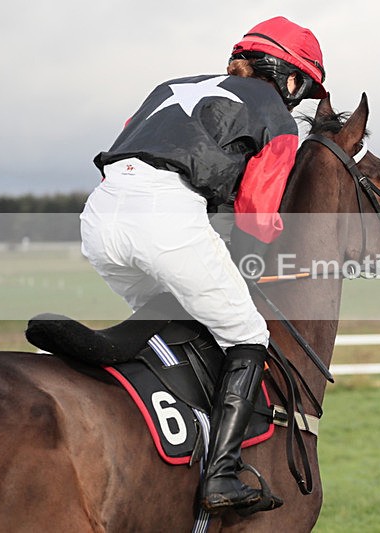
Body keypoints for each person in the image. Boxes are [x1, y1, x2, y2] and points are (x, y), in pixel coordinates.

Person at [79, 16, 327, 514]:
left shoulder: (170, 86)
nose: (297, 101)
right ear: (290, 78)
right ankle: (222, 476)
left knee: (172, 313)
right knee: (248, 334)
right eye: (301, 89)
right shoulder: (275, 113)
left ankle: (156, 415)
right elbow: (257, 218)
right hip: (166, 220)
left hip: (99, 216)